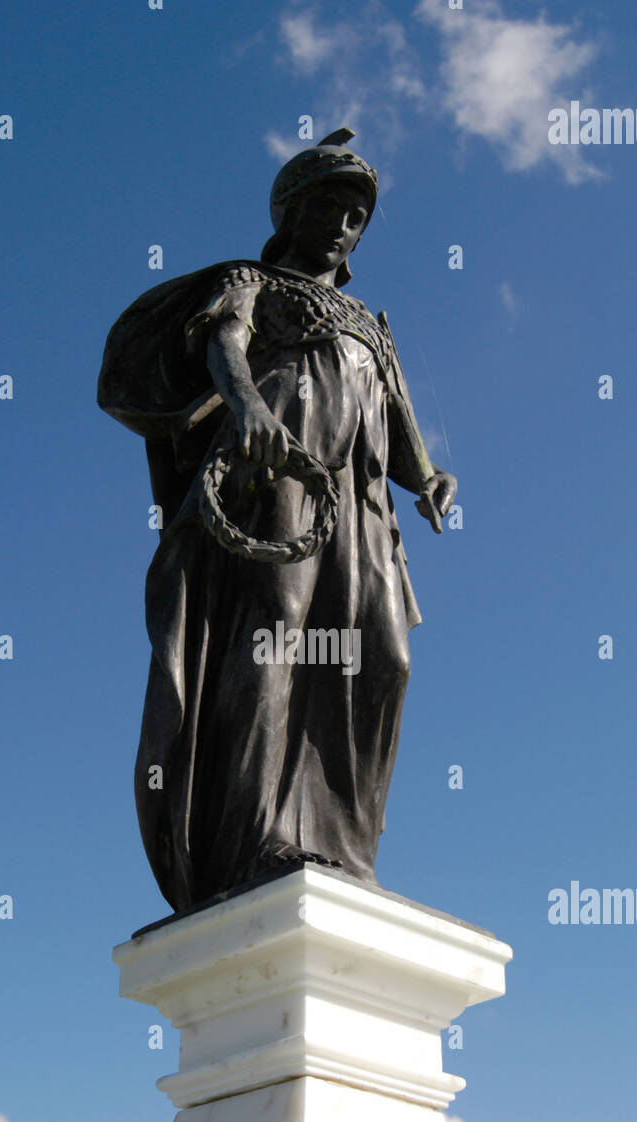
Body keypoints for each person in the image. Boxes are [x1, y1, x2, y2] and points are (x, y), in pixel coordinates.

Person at [98, 130, 456, 913]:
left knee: (384, 653)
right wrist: (251, 408)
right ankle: (254, 838)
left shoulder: (369, 320)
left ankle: (342, 846)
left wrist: (427, 478)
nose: (341, 224)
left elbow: (394, 418)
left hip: (360, 507)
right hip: (279, 473)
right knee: (275, 634)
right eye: (327, 205)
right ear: (291, 211)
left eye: (355, 213)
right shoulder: (250, 280)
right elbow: (226, 345)